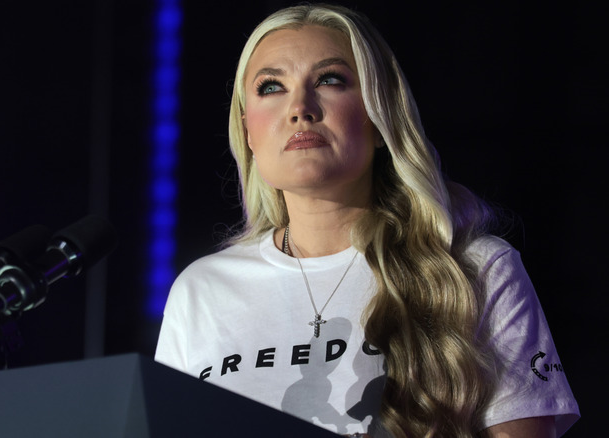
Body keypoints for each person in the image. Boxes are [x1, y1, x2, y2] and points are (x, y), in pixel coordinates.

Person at [155, 4, 579, 437]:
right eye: (271, 87)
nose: (300, 108)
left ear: (380, 117)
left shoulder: (473, 270)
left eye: (329, 80)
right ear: (248, 131)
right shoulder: (202, 291)